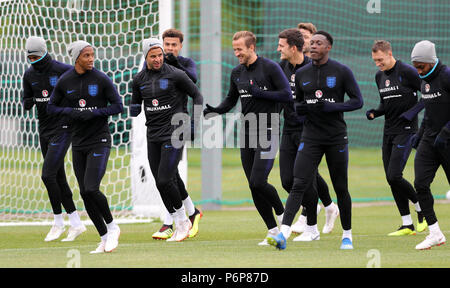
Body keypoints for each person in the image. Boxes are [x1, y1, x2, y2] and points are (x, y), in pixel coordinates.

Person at [268, 31, 363, 250]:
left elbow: (358, 101)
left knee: (340, 187)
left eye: (319, 43)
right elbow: (298, 105)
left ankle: (347, 236)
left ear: (328, 47)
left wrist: (333, 107)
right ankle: (283, 233)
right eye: (312, 43)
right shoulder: (302, 74)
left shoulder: (341, 71)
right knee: (298, 182)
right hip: (310, 136)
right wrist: (302, 109)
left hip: (336, 137)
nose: (313, 46)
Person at [203, 31, 292, 245]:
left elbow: (287, 94)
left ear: (251, 47)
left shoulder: (271, 67)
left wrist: (261, 94)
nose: (237, 53)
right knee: (253, 186)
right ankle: (272, 230)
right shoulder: (236, 72)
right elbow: (231, 100)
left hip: (268, 129)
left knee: (258, 181)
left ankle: (282, 216)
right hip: (247, 131)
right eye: (234, 50)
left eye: (239, 49)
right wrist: (215, 110)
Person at [48, 40, 123, 253]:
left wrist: (96, 113)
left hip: (99, 140)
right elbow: (52, 107)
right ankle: (104, 237)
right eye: (86, 55)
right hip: (78, 142)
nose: (91, 59)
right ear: (76, 58)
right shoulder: (65, 80)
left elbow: (118, 106)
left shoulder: (101, 79)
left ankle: (112, 227)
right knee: (84, 193)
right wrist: (70, 112)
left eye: (92, 55)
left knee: (91, 188)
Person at [130, 38, 203, 242]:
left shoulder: (176, 74)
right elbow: (135, 102)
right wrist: (133, 107)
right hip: (152, 134)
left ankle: (182, 222)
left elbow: (197, 96)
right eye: (153, 56)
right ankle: (185, 217)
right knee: (161, 182)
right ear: (145, 57)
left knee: (165, 178)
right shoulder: (138, 79)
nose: (157, 59)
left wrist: (193, 124)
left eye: (160, 55)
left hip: (175, 132)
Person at [22, 36, 85, 242]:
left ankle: (58, 221)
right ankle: (75, 223)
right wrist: (28, 102)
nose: (33, 60)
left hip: (64, 127)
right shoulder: (29, 75)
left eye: (36, 56)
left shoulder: (63, 70)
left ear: (44, 52)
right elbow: (27, 99)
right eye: (30, 57)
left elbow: (79, 90)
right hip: (44, 130)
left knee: (47, 175)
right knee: (57, 177)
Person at [277, 28, 339, 239]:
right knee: (287, 180)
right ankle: (327, 207)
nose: (278, 49)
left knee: (304, 180)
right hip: (288, 129)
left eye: (281, 46)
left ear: (293, 48)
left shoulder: (310, 68)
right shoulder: (280, 67)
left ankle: (311, 227)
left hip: (308, 130)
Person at [367, 40, 426, 236]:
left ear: (389, 54)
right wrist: (375, 112)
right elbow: (385, 104)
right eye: (375, 60)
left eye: (380, 59)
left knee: (394, 175)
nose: (378, 64)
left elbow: (427, 94)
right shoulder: (379, 76)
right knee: (391, 179)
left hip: (407, 130)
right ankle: (407, 224)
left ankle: (420, 206)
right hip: (389, 131)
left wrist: (412, 113)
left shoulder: (407, 71)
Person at [151, 29, 203, 241]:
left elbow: (194, 81)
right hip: (157, 129)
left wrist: (194, 126)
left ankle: (170, 222)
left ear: (180, 46)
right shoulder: (156, 65)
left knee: (167, 176)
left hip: (178, 127)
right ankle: (191, 213)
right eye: (167, 44)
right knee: (167, 176)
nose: (170, 48)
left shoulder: (186, 63)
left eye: (174, 45)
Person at [410, 40, 449, 250]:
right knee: (420, 184)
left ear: (431, 61)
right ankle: (435, 233)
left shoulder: (446, 75)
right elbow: (430, 112)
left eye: (421, 66)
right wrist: (420, 135)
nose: (418, 70)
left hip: (448, 140)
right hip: (430, 140)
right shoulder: (423, 81)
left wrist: (446, 132)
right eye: (415, 65)